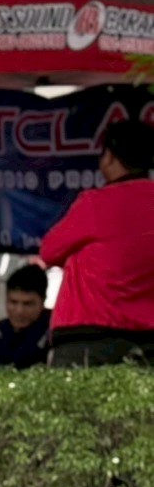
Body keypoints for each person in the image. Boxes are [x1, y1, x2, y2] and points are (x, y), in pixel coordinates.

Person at [40, 118, 154, 367]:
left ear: (110, 157)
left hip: (86, 338)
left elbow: (49, 251)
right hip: (148, 340)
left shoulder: (95, 203)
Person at [0, 263, 52, 369]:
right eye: (13, 302)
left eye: (28, 304)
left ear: (43, 301)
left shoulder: (54, 332)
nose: (19, 311)